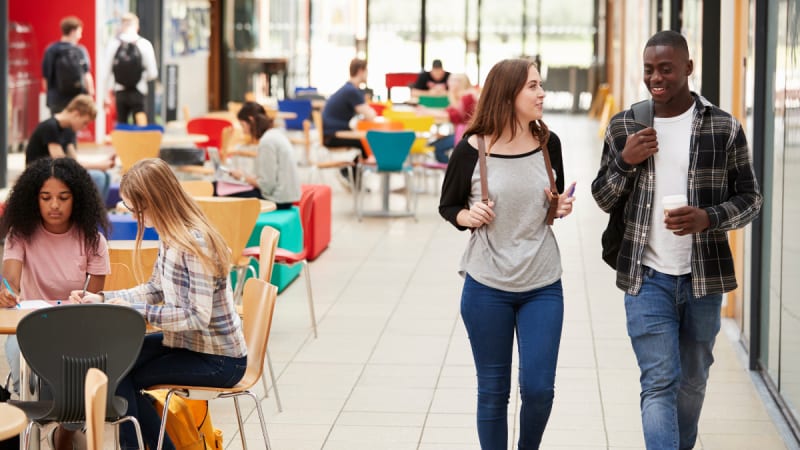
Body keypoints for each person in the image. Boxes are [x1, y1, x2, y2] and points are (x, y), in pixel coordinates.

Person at [590, 30, 762, 450]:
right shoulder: (626, 125)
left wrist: (708, 218)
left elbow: (751, 199)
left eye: (666, 68)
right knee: (659, 383)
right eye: (649, 69)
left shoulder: (723, 127)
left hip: (704, 280)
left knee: (693, 381)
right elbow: (602, 197)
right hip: (646, 278)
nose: (656, 78)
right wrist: (626, 163)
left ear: (688, 67)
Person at [438, 58, 576, 449]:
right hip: (487, 285)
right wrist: (468, 214)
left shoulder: (551, 145)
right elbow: (449, 208)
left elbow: (551, 203)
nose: (542, 93)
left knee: (539, 389)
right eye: (532, 86)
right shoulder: (471, 151)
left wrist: (558, 207)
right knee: (493, 392)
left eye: (540, 85)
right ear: (508, 93)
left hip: (542, 282)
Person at [69, 158, 247, 450]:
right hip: (188, 345)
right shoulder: (170, 235)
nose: (134, 216)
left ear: (154, 201)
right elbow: (154, 288)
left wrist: (132, 311)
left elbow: (196, 316)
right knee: (112, 365)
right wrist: (102, 299)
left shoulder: (194, 243)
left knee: (118, 376)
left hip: (219, 359)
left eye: (134, 209)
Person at [1, 157, 110, 450]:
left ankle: (67, 430)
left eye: (63, 197)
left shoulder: (93, 240)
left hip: (75, 326)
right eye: (45, 197)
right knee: (24, 370)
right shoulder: (20, 234)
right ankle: (29, 424)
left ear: (78, 198)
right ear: (32, 199)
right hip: (28, 325)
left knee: (74, 377)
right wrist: (6, 291)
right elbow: (9, 279)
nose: (54, 206)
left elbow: (95, 297)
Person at [25, 94, 115, 199]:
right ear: (76, 114)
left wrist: (102, 163)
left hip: (57, 171)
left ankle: (98, 213)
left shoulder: (68, 129)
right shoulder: (50, 127)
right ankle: (88, 213)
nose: (84, 127)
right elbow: (63, 163)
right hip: (41, 174)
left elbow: (73, 161)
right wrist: (99, 165)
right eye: (84, 123)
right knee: (98, 177)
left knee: (106, 176)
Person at [219, 101, 302, 208]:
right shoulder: (275, 134)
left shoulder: (267, 142)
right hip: (285, 197)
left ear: (251, 120)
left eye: (243, 125)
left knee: (220, 192)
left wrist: (243, 178)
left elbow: (267, 186)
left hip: (277, 199)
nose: (244, 131)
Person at [321, 58, 376, 186]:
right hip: (332, 136)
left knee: (364, 142)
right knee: (366, 142)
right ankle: (349, 173)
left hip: (330, 133)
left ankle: (351, 174)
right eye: (367, 71)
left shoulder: (347, 89)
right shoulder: (352, 91)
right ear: (361, 71)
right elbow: (371, 115)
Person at [104, 12, 158, 124]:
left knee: (122, 124)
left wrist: (106, 94)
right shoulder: (144, 44)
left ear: (122, 26)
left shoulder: (114, 44)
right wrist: (141, 77)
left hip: (120, 91)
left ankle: (122, 141)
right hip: (139, 90)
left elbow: (106, 72)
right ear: (137, 26)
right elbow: (153, 73)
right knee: (140, 124)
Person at [416, 72, 480, 162]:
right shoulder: (459, 96)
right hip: (463, 134)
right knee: (435, 144)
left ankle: (450, 169)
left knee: (437, 147)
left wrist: (426, 111)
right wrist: (426, 111)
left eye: (455, 81)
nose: (450, 83)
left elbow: (455, 116)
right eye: (450, 80)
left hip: (468, 135)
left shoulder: (467, 96)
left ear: (461, 83)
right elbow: (448, 112)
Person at [42, 16, 95, 115]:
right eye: (80, 32)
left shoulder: (51, 50)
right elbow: (87, 76)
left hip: (57, 100)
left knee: (58, 127)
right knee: (74, 128)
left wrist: (50, 97)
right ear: (73, 31)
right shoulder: (80, 50)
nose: (81, 35)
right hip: (77, 99)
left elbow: (46, 78)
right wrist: (90, 96)